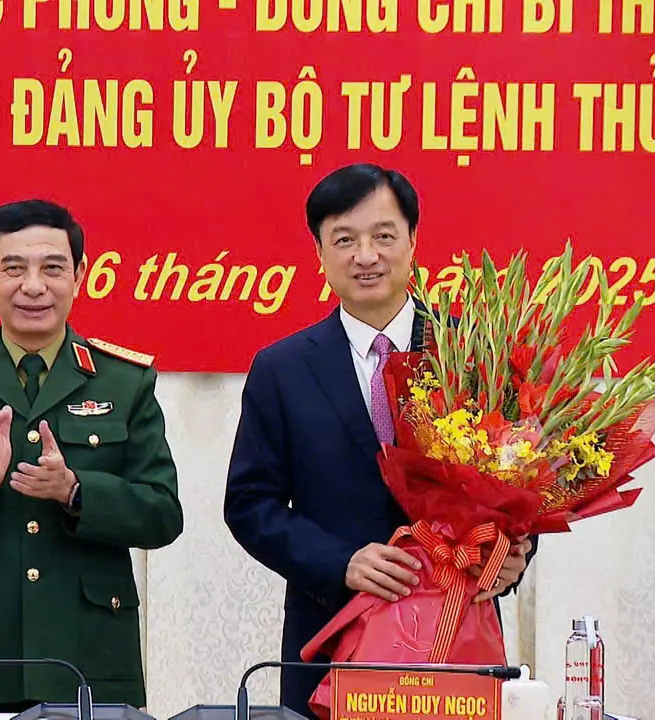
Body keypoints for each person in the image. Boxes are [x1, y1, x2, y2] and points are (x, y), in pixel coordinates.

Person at [222, 164, 536, 718]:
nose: (365, 256)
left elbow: (523, 479)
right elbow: (250, 505)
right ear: (319, 253)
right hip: (332, 642)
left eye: (383, 236)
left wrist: (515, 556)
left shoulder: (473, 353)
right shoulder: (282, 369)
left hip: (456, 641)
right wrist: (339, 561)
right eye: (345, 240)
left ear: (413, 241)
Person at [0, 199, 183, 712]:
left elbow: (163, 514)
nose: (34, 286)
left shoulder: (125, 382)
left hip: (89, 660)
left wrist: (75, 491)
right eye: (14, 269)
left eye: (53, 269)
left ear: (80, 276)